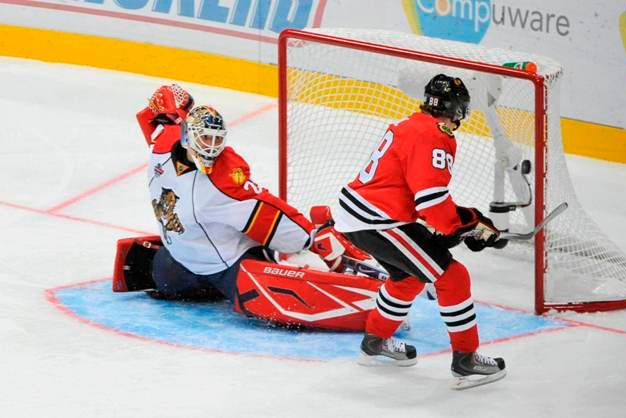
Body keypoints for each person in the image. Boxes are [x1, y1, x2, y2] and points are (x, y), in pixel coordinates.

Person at [333, 74, 506, 387]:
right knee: (453, 277)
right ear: (457, 110)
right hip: (377, 220)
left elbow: (417, 198)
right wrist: (464, 225)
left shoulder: (411, 123)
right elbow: (433, 203)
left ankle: (375, 342)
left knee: (409, 277)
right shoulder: (435, 135)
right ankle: (465, 359)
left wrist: (465, 223)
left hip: (360, 214)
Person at [133, 84, 354, 303]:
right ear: (187, 136)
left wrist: (308, 237)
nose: (211, 148)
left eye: (216, 139)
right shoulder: (162, 146)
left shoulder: (221, 176)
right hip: (182, 261)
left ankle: (271, 253)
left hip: (222, 264)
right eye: (205, 139)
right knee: (165, 280)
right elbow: (159, 106)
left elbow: (266, 211)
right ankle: (272, 253)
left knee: (258, 302)